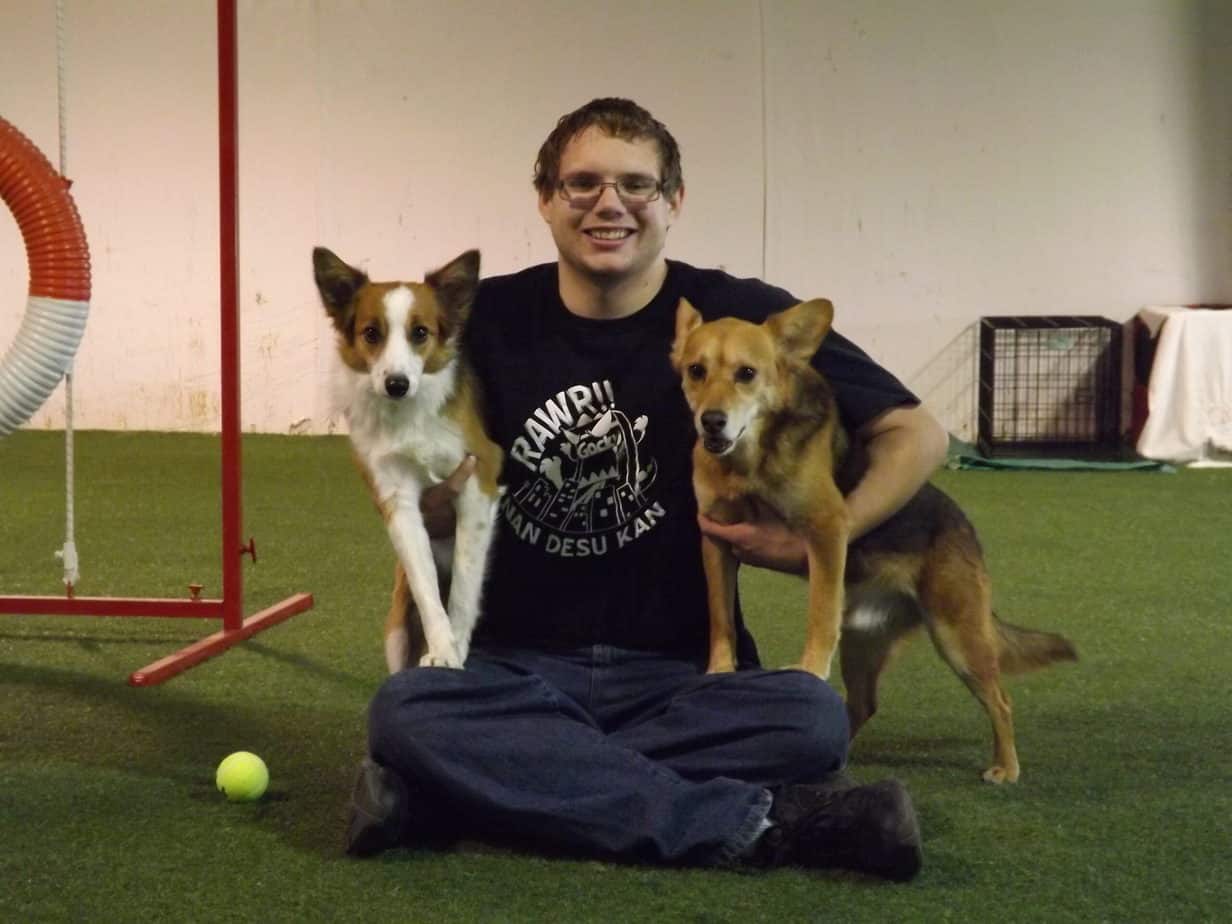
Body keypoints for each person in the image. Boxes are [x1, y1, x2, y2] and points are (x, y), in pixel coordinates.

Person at [344, 98, 948, 881]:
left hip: (684, 675)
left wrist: (819, 531)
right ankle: (765, 825)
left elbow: (918, 435)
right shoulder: (479, 322)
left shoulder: (747, 319)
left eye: (636, 184)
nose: (609, 204)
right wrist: (428, 497)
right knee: (405, 711)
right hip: (514, 664)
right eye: (582, 183)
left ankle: (462, 794)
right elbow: (392, 454)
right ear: (546, 199)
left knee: (811, 718)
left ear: (673, 201)